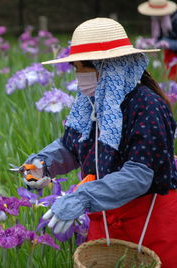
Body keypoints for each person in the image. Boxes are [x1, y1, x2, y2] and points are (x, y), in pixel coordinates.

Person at [23, 18, 177, 267]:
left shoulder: (147, 106)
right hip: (104, 216)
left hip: (147, 219)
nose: (77, 76)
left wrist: (82, 197)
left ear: (107, 67)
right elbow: (72, 146)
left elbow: (139, 174)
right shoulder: (92, 103)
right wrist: (41, 164)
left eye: (82, 68)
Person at [138, 0, 177, 79]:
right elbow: (158, 38)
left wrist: (168, 43)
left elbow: (167, 40)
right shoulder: (157, 19)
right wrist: (149, 42)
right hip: (166, 56)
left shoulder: (175, 19)